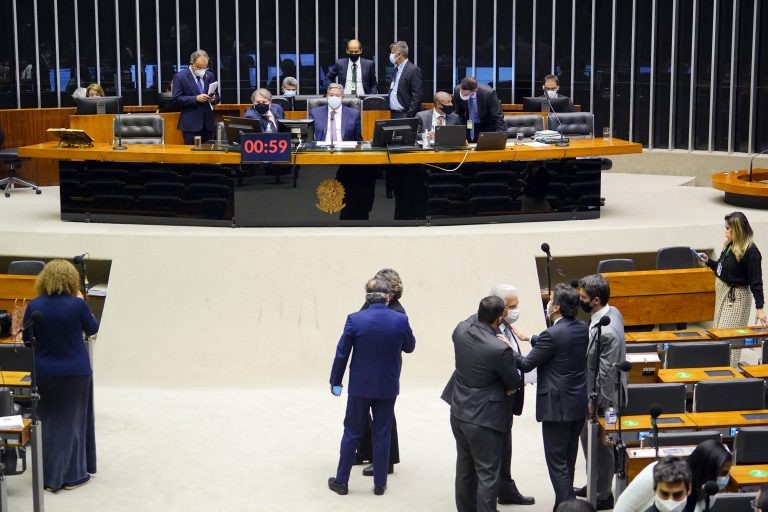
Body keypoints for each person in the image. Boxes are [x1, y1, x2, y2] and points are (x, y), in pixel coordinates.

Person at [328, 276, 416, 496]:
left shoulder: (354, 319)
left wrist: (336, 381)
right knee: (382, 432)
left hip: (360, 386)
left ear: (367, 297)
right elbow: (410, 347)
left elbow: (342, 353)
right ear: (388, 297)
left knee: (351, 432)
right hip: (387, 385)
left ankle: (342, 481)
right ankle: (379, 484)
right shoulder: (400, 320)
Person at [23, 259, 99, 492]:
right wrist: (82, 301)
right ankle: (73, 476)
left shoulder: (35, 305)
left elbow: (27, 340)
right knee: (74, 423)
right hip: (76, 372)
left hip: (44, 372)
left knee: (48, 423)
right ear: (71, 280)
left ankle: (49, 477)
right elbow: (93, 328)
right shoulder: (78, 305)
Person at [441, 296, 522, 512]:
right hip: (484, 419)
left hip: (459, 411)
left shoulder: (460, 330)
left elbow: (473, 318)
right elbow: (514, 382)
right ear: (499, 318)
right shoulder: (499, 349)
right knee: (488, 474)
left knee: (465, 469)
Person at [513, 283, 588, 511]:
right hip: (577, 404)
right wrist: (531, 338)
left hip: (556, 407)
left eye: (551, 299)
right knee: (569, 458)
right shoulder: (583, 327)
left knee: (557, 462)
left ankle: (566, 505)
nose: (547, 303)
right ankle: (562, 504)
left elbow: (526, 364)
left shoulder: (551, 334)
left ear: (556, 307)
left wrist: (508, 348)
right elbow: (560, 345)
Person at [576, 273, 627, 511]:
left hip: (606, 400)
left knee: (602, 444)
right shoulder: (611, 311)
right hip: (600, 391)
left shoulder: (608, 332)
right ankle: (595, 484)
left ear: (595, 300)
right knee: (590, 443)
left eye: (583, 297)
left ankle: (603, 494)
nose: (580, 300)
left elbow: (606, 372)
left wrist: (593, 402)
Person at [698, 211, 767, 366]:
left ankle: (729, 370)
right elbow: (723, 269)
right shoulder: (730, 245)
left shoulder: (751, 252)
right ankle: (717, 369)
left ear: (738, 230)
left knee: (727, 339)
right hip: (723, 295)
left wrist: (760, 308)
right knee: (717, 335)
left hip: (736, 299)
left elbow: (756, 281)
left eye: (728, 228)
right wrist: (709, 261)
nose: (726, 232)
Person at [356, 268, 405, 476]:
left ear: (390, 293)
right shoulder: (372, 303)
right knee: (362, 409)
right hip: (367, 366)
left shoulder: (397, 313)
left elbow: (405, 344)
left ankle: (387, 460)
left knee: (384, 414)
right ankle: (365, 450)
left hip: (384, 368)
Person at [490, 284, 535, 506]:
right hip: (498, 398)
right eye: (513, 306)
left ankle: (505, 488)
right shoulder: (489, 331)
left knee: (505, 444)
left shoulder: (506, 326)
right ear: (500, 308)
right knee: (497, 446)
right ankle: (500, 490)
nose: (516, 310)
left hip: (509, 395)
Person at [614, 439, 732, 512]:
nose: (725, 477)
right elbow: (623, 507)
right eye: (722, 472)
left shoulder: (709, 490)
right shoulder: (658, 472)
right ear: (706, 469)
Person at [172, 49, 221, 144]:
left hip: (208, 124)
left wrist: (213, 99)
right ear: (192, 63)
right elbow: (176, 99)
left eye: (205, 68)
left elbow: (217, 96)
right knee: (191, 152)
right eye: (199, 68)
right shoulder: (180, 77)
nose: (202, 70)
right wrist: (196, 99)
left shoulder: (210, 75)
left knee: (209, 151)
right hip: (191, 125)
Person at [453, 76, 505, 143]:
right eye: (461, 92)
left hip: (487, 125)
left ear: (475, 90)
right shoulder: (456, 90)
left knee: (486, 146)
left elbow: (498, 116)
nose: (462, 95)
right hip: (469, 124)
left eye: (466, 94)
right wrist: (460, 132)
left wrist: (501, 137)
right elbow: (459, 113)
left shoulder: (488, 93)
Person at [387, 40, 422, 118]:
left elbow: (417, 96)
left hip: (404, 114)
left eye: (392, 53)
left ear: (399, 54)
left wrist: (409, 115)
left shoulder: (413, 70)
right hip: (392, 114)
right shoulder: (395, 70)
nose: (390, 55)